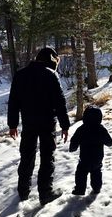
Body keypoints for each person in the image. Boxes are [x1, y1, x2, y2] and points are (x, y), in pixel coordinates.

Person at [7, 47, 70, 205]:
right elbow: (60, 103)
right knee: (47, 157)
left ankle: (23, 191)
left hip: (28, 123)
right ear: (50, 59)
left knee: (27, 156)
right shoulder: (51, 75)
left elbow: (13, 102)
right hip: (47, 123)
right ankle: (45, 193)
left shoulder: (20, 75)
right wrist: (65, 125)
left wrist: (13, 124)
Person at [69, 105, 112, 195]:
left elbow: (74, 140)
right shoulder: (101, 129)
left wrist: (72, 148)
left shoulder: (81, 129)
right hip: (97, 158)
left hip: (84, 158)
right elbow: (109, 142)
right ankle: (96, 188)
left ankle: (80, 189)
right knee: (96, 173)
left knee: (81, 173)